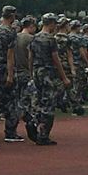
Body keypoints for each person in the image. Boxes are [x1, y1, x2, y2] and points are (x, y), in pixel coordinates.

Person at [28, 13, 70, 145]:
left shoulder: (35, 38)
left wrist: (31, 72)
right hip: (47, 72)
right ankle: (43, 134)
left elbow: (30, 56)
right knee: (49, 103)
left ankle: (33, 121)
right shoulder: (51, 39)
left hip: (37, 71)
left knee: (39, 100)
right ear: (51, 23)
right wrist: (64, 77)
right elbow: (56, 59)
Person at [0, 6, 22, 142]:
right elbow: (10, 55)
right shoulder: (10, 32)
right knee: (11, 101)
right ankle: (10, 131)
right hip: (4, 69)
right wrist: (10, 75)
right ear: (12, 16)